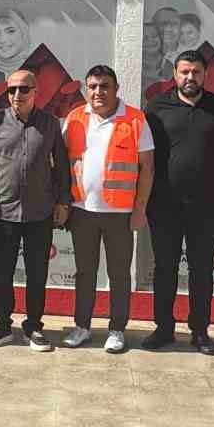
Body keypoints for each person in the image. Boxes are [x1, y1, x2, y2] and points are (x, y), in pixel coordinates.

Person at [145, 51, 214, 354]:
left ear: (204, 74)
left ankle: (200, 331)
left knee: (202, 269)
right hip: (164, 204)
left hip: (208, 205)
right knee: (165, 268)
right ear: (174, 74)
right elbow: (146, 156)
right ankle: (163, 328)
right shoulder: (157, 107)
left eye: (196, 72)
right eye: (184, 72)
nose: (190, 77)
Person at [61, 66, 154, 354]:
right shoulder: (75, 118)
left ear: (116, 89)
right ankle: (82, 326)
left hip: (120, 213)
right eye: (92, 86)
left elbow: (147, 169)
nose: (98, 92)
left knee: (119, 274)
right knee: (84, 272)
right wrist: (62, 203)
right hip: (81, 210)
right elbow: (61, 163)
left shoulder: (135, 119)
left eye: (104, 86)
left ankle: (117, 329)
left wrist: (139, 209)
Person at [0, 68, 70, 351]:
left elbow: (61, 166)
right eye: (12, 89)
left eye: (24, 89)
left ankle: (34, 327)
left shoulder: (50, 124)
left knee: (37, 273)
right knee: (3, 272)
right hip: (4, 211)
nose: (17, 94)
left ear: (35, 92)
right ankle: (2, 326)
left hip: (40, 212)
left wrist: (63, 201)